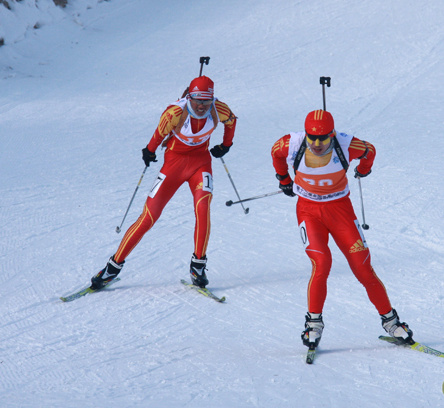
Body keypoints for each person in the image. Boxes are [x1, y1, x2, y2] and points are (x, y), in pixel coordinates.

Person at [271, 109, 413, 349]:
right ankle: (313, 324)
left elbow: (370, 151)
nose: (317, 143)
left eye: (323, 138)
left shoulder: (347, 144)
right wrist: (283, 179)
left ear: (333, 134)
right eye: (312, 137)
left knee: (362, 267)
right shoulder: (292, 143)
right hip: (309, 212)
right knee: (321, 263)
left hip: (341, 212)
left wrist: (364, 170)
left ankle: (391, 322)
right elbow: (276, 153)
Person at [91, 75, 237, 290]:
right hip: (173, 166)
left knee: (203, 207)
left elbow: (231, 121)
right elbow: (158, 135)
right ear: (189, 97)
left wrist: (226, 145)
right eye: (197, 101)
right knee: (149, 216)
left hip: (200, 164)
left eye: (206, 101)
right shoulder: (175, 113)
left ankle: (198, 266)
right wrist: (149, 152)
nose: (201, 106)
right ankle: (112, 267)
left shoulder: (219, 109)